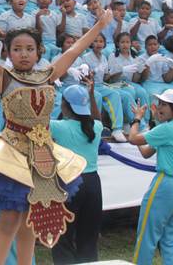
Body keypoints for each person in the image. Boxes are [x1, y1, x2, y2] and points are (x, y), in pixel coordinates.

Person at [0, 1, 110, 265]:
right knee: (9, 220)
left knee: (30, 221)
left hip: (43, 157)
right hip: (13, 153)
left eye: (29, 49)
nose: (24, 54)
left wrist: (99, 25)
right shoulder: (3, 77)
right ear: (8, 52)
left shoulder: (48, 75)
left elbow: (74, 51)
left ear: (39, 51)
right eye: (17, 49)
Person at [128, 89, 173, 265]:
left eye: (163, 104)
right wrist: (153, 124)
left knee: (147, 235)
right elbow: (146, 152)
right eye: (159, 103)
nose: (159, 107)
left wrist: (137, 119)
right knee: (171, 238)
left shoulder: (167, 129)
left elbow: (133, 138)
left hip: (166, 185)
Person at [51, 83, 104, 264]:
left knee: (62, 238)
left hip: (69, 182)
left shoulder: (58, 127)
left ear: (64, 105)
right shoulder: (96, 127)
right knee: (88, 238)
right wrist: (91, 96)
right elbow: (97, 119)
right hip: (93, 184)